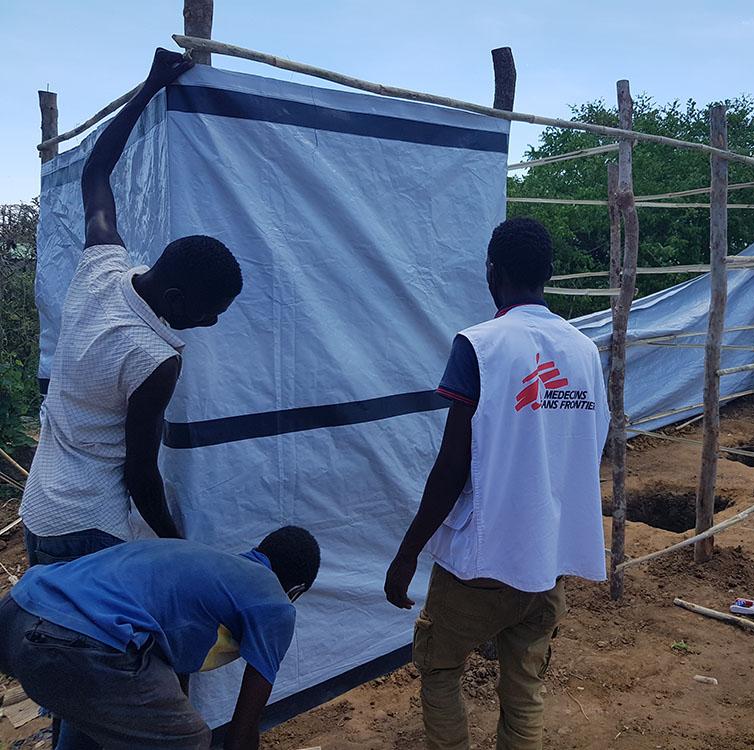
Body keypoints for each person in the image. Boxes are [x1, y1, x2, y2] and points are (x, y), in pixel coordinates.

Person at [384, 217, 610, 750]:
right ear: (550, 274)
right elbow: (585, 446)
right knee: (525, 685)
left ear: (493, 271)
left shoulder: (480, 346)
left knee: (439, 667)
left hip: (481, 564)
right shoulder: (584, 351)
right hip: (547, 564)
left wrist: (407, 552)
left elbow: (451, 467)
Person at [20, 48, 243, 565]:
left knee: (39, 635)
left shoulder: (101, 266)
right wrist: (175, 543)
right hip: (91, 530)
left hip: (41, 513)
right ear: (174, 300)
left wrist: (150, 87)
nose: (210, 323)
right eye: (211, 311)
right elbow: (141, 475)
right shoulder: (155, 359)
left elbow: (96, 172)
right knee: (93, 645)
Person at [0, 525, 320, 750]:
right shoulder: (275, 602)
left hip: (19, 611)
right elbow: (241, 731)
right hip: (81, 640)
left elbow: (160, 676)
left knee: (92, 714)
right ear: (296, 591)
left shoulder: (202, 562)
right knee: (186, 740)